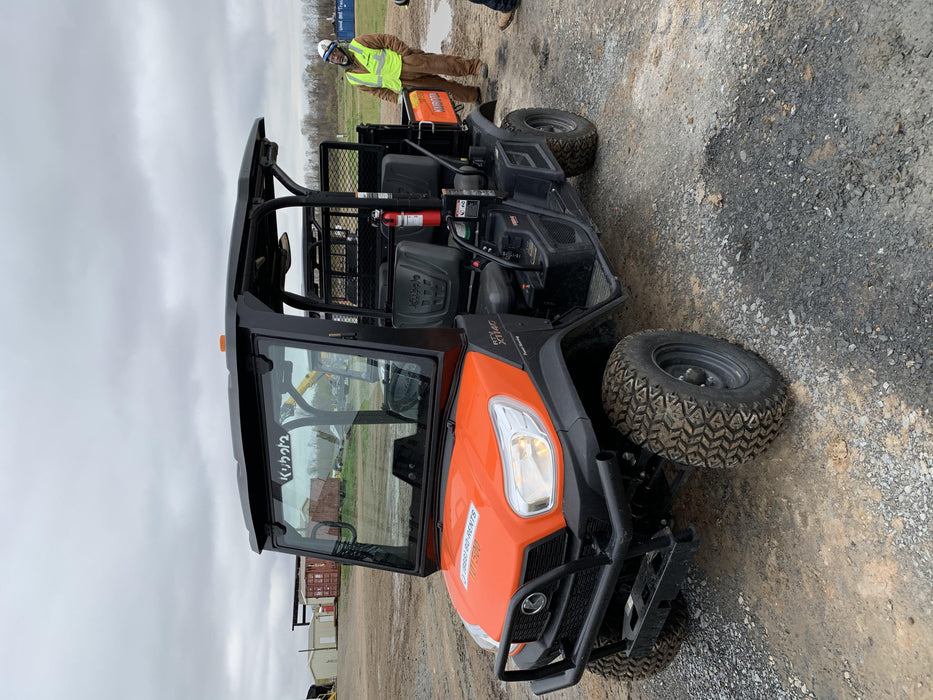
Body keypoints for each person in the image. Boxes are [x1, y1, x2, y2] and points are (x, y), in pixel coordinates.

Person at [318, 34, 486, 104]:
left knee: (443, 64)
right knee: (441, 90)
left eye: (333, 52)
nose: (335, 57)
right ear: (332, 63)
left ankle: (475, 67)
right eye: (331, 58)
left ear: (337, 47)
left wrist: (405, 53)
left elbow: (386, 40)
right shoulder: (352, 78)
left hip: (406, 62)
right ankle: (473, 95)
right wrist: (398, 99)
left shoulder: (359, 43)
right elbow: (379, 92)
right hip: (404, 84)